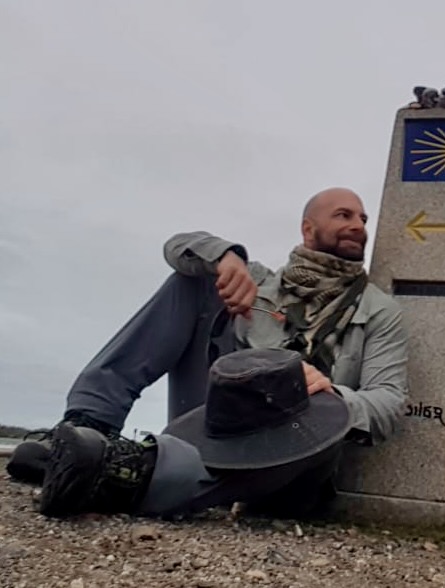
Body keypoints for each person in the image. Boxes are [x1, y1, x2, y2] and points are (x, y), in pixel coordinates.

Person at [8, 187, 409, 519]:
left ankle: (120, 474)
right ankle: (87, 425)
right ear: (308, 228)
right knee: (196, 281)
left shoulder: (379, 310)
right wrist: (225, 257)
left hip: (297, 447)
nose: (358, 225)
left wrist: (333, 395)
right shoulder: (257, 282)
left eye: (362, 218)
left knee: (309, 421)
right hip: (213, 424)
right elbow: (177, 246)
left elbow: (389, 400)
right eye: (343, 215)